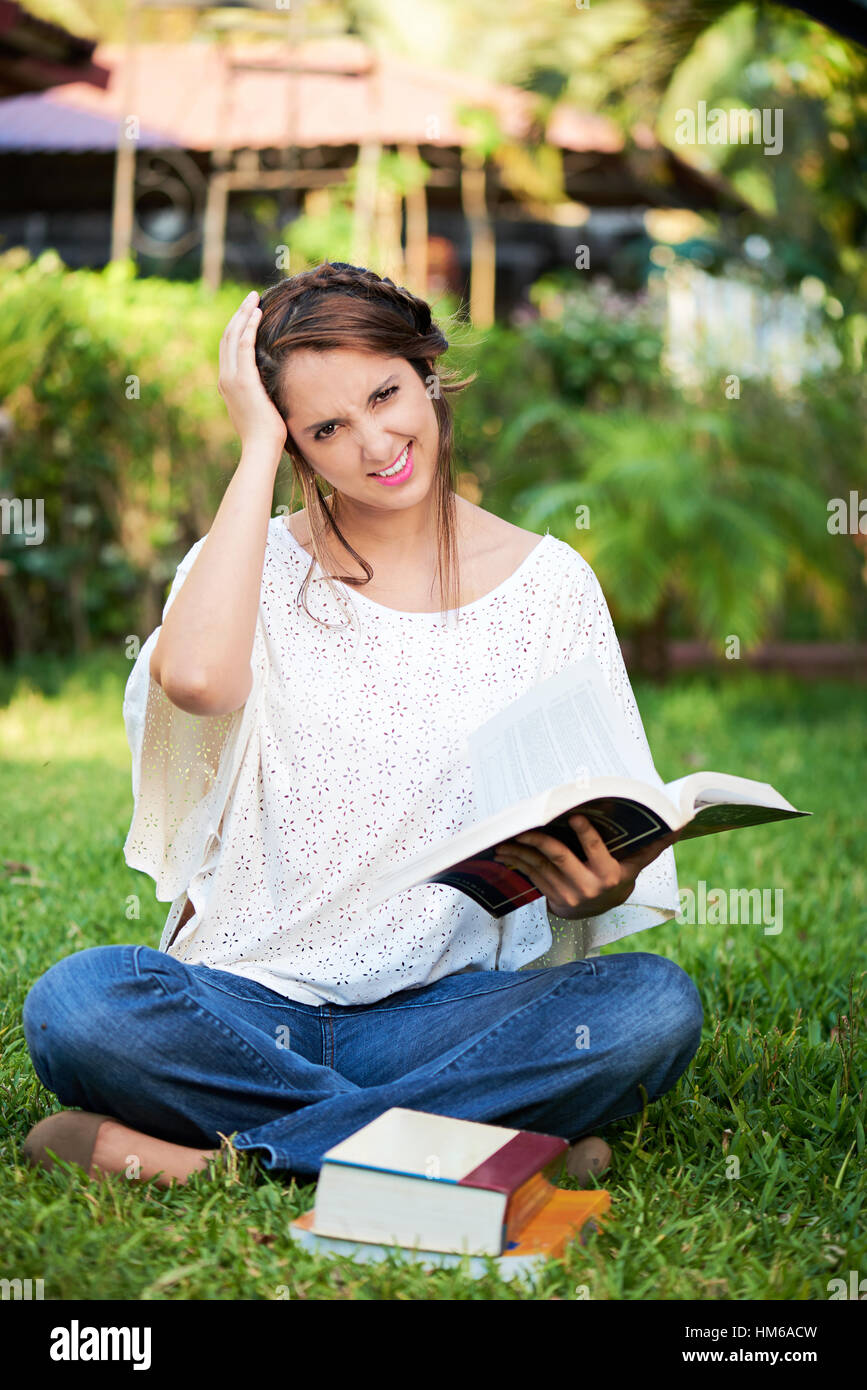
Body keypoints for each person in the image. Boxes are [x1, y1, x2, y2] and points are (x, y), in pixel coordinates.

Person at [21, 261, 702, 1191]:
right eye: (325, 428)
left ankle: (219, 1161)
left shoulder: (550, 588)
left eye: (385, 393)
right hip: (248, 1002)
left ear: (426, 369)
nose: (376, 443)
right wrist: (255, 445)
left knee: (650, 1008)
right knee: (82, 1005)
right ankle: (473, 1144)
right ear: (293, 444)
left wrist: (589, 887)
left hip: (449, 1011)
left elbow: (590, 849)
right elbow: (195, 680)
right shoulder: (244, 567)